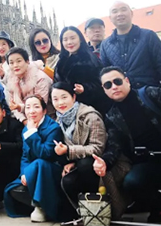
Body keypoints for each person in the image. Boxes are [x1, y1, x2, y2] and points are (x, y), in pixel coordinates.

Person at [92, 66, 161, 224]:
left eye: (117, 81)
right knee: (132, 182)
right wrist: (104, 162)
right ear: (104, 89)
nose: (114, 87)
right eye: (108, 85)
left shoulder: (150, 94)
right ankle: (158, 205)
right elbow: (114, 145)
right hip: (150, 164)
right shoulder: (111, 116)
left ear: (127, 81)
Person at [4, 95, 65, 223]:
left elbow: (45, 154)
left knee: (40, 163)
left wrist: (32, 133)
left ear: (44, 110)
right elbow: (25, 155)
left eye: (36, 107)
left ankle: (40, 206)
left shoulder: (53, 128)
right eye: (28, 107)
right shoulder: (26, 128)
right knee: (12, 190)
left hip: (49, 170)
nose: (31, 111)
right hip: (33, 170)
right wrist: (24, 173)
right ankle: (38, 202)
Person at [51, 82, 105, 219]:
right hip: (77, 163)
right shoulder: (58, 120)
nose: (60, 103)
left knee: (85, 165)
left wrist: (69, 151)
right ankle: (81, 214)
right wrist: (69, 160)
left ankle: (97, 210)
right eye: (55, 99)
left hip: (99, 165)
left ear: (74, 97)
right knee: (65, 179)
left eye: (64, 97)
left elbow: (98, 148)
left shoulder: (90, 115)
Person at [100, 1, 161, 92]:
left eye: (123, 9)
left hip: (150, 94)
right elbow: (106, 75)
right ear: (110, 18)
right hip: (123, 97)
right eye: (115, 11)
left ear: (131, 13)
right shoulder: (106, 45)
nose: (119, 14)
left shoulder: (148, 36)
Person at [55, 26, 112, 114]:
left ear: (80, 39)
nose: (69, 42)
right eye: (65, 39)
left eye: (72, 38)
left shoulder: (90, 59)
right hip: (67, 108)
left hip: (90, 108)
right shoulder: (61, 61)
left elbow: (101, 84)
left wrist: (84, 89)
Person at [6, 47, 53, 122]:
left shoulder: (40, 78)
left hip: (45, 118)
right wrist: (23, 120)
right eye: (11, 63)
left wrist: (19, 108)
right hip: (23, 118)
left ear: (27, 61)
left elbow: (40, 106)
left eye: (19, 61)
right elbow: (12, 106)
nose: (15, 65)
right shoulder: (11, 79)